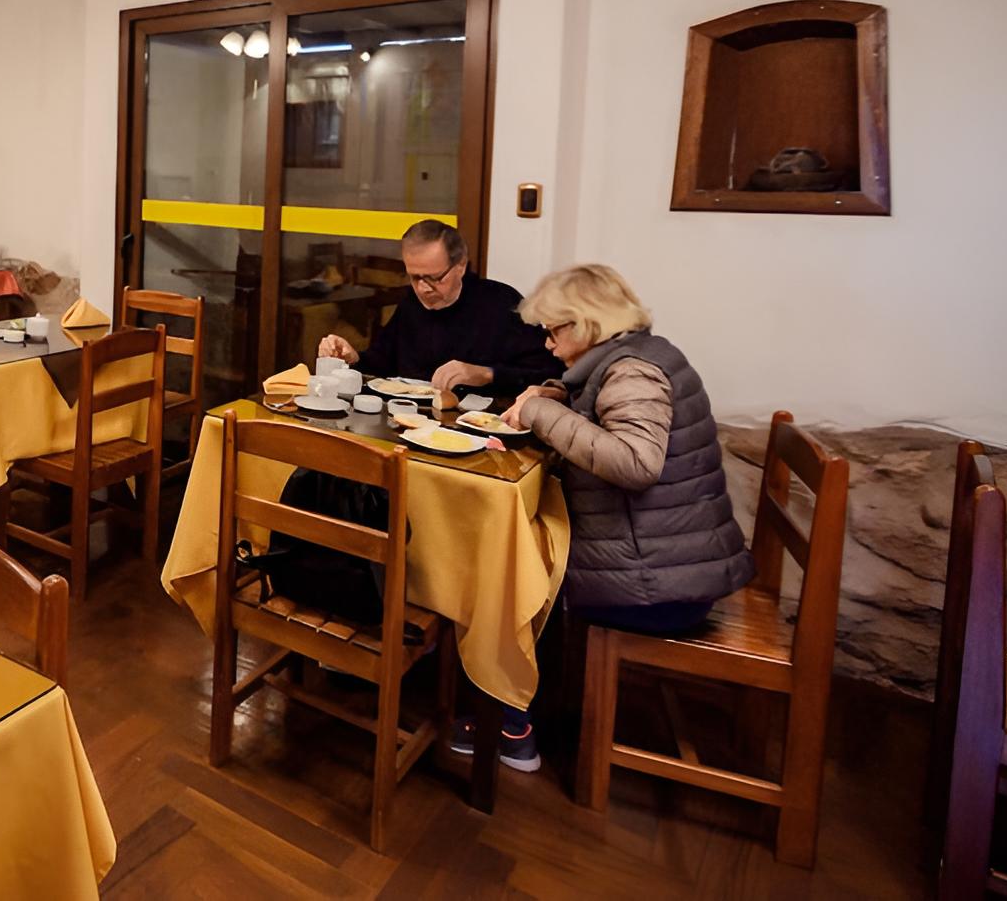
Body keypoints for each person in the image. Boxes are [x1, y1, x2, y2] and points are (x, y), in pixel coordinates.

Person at [454, 263, 755, 773]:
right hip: (667, 564)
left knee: (512, 576)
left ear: (586, 324)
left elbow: (636, 464)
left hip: (658, 587)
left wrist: (542, 413)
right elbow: (601, 409)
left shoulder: (633, 373)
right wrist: (556, 394)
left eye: (553, 331)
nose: (547, 343)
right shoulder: (639, 355)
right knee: (521, 555)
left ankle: (508, 724)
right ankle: (515, 704)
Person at [316, 220, 558, 395]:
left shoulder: (502, 303)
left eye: (434, 278)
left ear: (460, 266)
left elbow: (549, 375)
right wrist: (354, 358)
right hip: (410, 422)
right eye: (414, 277)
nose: (423, 288)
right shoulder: (411, 304)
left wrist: (487, 374)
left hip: (480, 427)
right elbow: (383, 363)